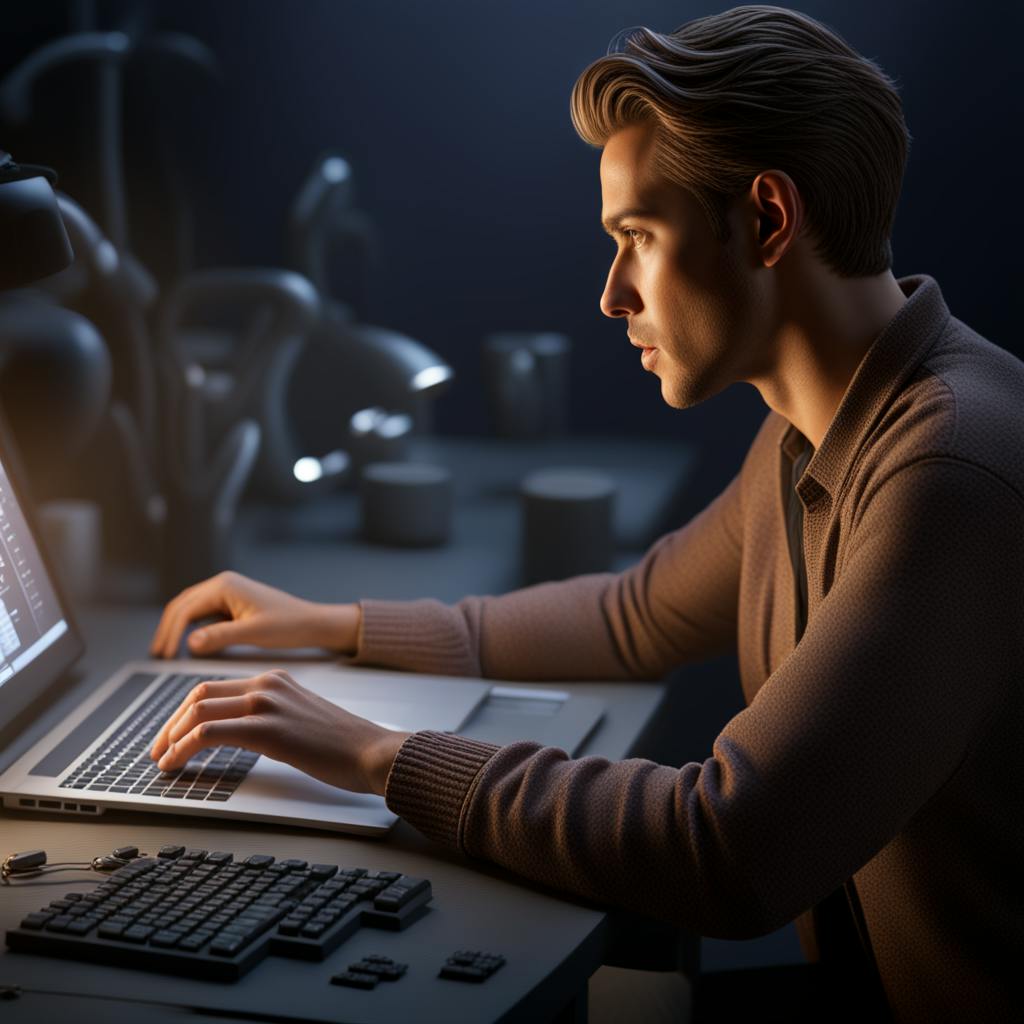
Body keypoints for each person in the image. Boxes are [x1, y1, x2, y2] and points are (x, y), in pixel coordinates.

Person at [149, 7, 1021, 1022]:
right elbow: (635, 616)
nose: (612, 295)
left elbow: (729, 848)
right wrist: (336, 626)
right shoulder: (817, 426)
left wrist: (377, 757)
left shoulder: (947, 473)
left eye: (638, 238)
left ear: (769, 220)